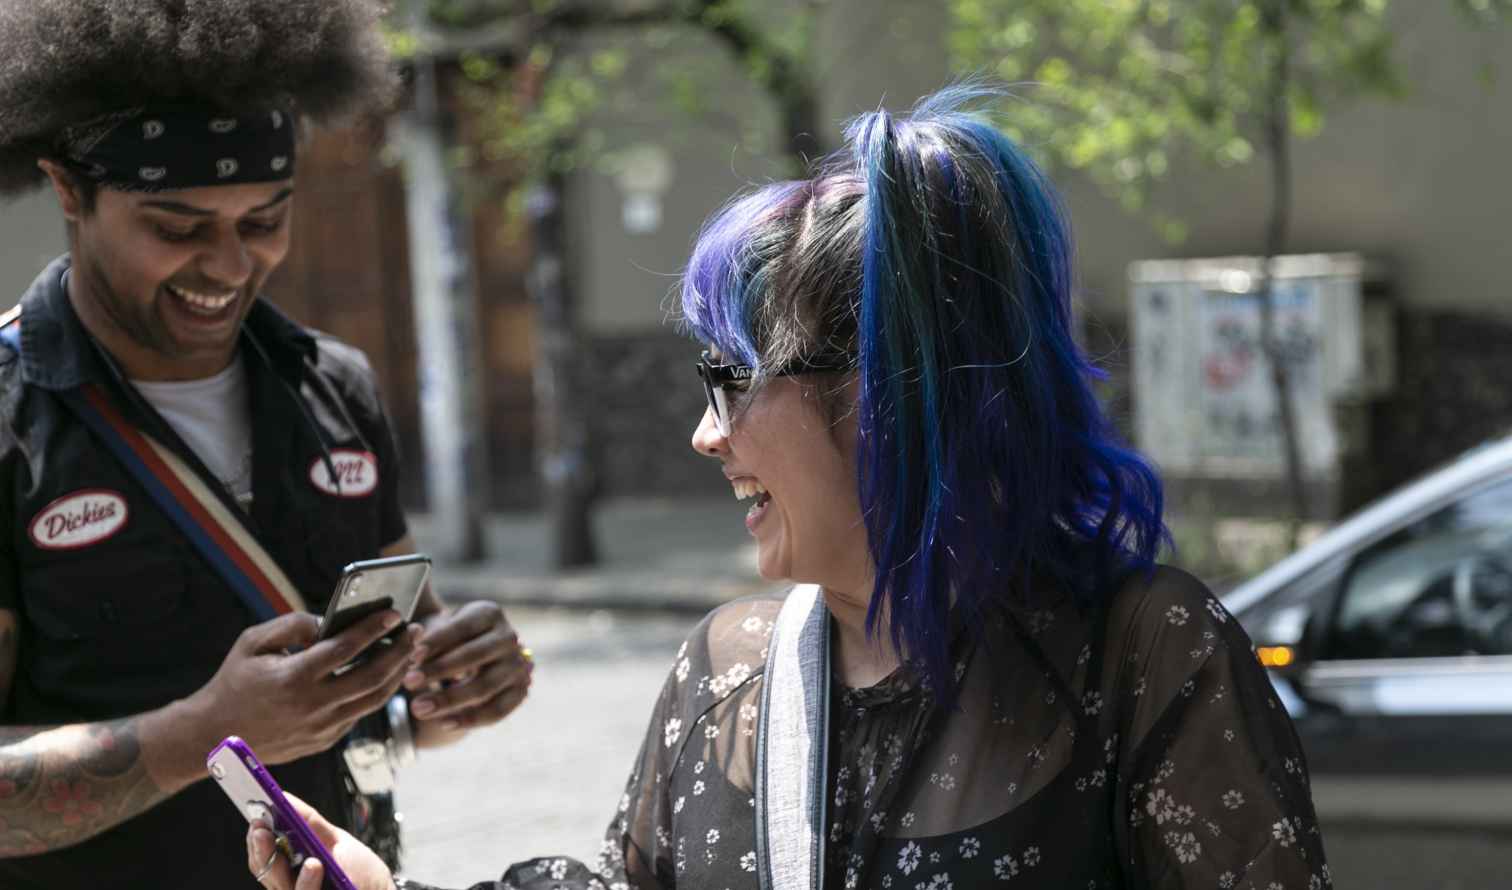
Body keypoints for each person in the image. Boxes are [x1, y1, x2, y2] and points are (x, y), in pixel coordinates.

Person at [248, 87, 1329, 890]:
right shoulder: (727, 670)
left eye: (730, 380)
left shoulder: (1143, 653)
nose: (703, 433)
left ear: (891, 394)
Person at [0, 2, 533, 888]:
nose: (229, 265)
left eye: (264, 220)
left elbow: (400, 685)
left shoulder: (335, 387)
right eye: (177, 228)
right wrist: (204, 730)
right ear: (69, 190)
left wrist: (461, 684)